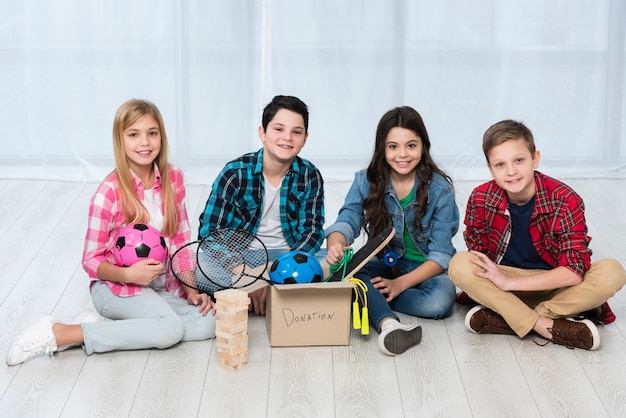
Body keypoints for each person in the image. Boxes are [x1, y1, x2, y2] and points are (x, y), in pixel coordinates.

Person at [6, 99, 216, 366]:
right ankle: (63, 332)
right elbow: (91, 260)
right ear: (120, 139)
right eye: (133, 134)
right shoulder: (108, 193)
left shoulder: (173, 177)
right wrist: (128, 274)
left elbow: (180, 242)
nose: (145, 142)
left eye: (152, 133)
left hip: (161, 289)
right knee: (169, 330)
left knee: (209, 322)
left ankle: (101, 327)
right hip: (116, 287)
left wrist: (191, 289)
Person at [449, 119, 626, 351]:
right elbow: (480, 259)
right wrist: (504, 281)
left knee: (613, 271)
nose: (511, 171)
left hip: (555, 284)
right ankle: (547, 325)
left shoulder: (564, 198)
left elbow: (573, 272)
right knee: (460, 264)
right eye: (500, 164)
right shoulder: (481, 198)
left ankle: (509, 317)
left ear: (535, 158)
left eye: (519, 160)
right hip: (505, 285)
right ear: (490, 168)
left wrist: (510, 283)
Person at [325, 106, 459, 356]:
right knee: (334, 264)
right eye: (393, 146)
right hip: (385, 264)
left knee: (440, 301)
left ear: (423, 146)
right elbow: (347, 219)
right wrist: (336, 243)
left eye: (411, 145)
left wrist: (399, 285)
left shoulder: (441, 190)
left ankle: (365, 298)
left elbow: (441, 255)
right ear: (382, 148)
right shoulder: (365, 180)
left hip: (424, 270)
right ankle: (389, 324)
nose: (402, 155)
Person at [198, 95, 325, 314]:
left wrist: (287, 267)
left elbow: (312, 232)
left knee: (334, 262)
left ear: (305, 138)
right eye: (278, 129)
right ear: (262, 133)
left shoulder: (310, 175)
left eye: (297, 132)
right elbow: (210, 233)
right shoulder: (234, 173)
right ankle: (277, 295)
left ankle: (250, 295)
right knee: (201, 266)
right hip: (243, 257)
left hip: (288, 256)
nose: (287, 137)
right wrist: (243, 272)